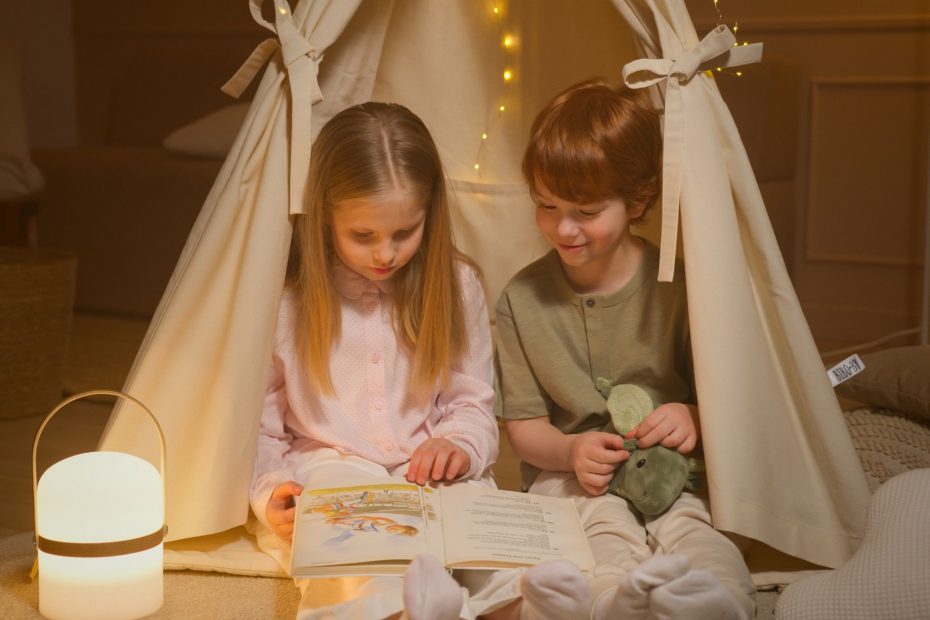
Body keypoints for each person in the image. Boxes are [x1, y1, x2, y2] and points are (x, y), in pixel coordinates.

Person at [250, 102, 590, 620]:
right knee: (359, 563)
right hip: (332, 468)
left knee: (493, 545)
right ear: (323, 217)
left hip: (432, 473)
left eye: (404, 232)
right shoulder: (288, 300)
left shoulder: (457, 285)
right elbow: (261, 430)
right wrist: (272, 492)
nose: (385, 254)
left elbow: (472, 403)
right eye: (363, 236)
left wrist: (458, 445)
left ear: (430, 213)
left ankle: (521, 608)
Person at [494, 79, 757, 620]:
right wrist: (569, 452)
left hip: (674, 472)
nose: (562, 228)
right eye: (546, 206)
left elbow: (737, 399)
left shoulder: (682, 287)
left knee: (694, 527)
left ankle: (717, 603)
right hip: (574, 481)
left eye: (586, 211)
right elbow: (524, 427)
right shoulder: (520, 300)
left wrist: (694, 416)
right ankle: (615, 606)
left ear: (637, 200)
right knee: (596, 538)